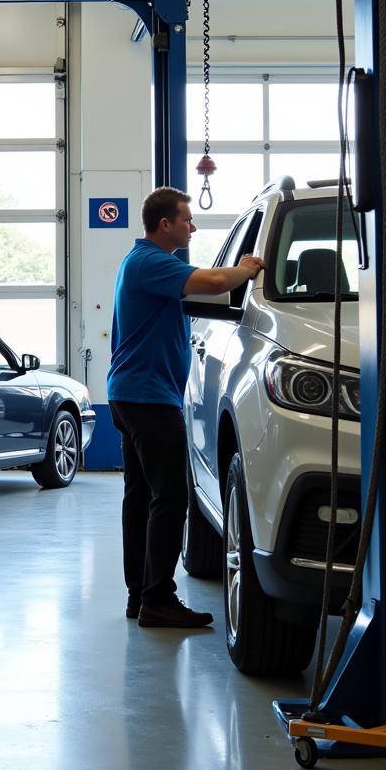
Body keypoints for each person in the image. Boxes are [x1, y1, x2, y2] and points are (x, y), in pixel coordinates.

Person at [109, 187, 264, 629]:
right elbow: (215, 283)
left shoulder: (146, 263)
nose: (192, 227)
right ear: (164, 224)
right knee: (171, 495)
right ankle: (158, 597)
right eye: (187, 220)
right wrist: (249, 267)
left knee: (140, 496)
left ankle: (140, 594)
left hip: (134, 394)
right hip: (148, 398)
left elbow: (205, 293)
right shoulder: (151, 262)